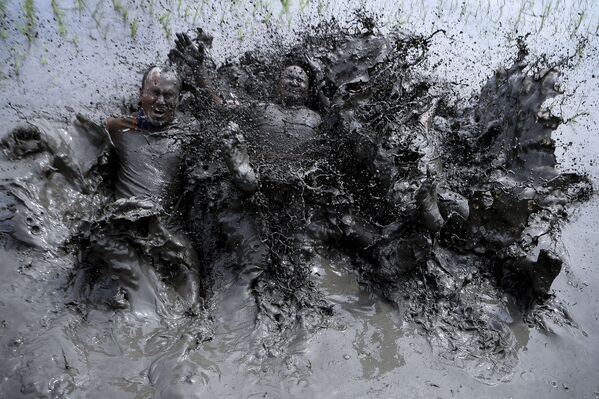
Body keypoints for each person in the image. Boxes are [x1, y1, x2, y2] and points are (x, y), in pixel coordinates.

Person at [75, 65, 202, 316]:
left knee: (191, 306)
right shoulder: (118, 128)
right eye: (154, 93)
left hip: (170, 232)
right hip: (124, 226)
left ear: (179, 99)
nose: (160, 101)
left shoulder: (190, 131)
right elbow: (77, 143)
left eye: (169, 95)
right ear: (140, 93)